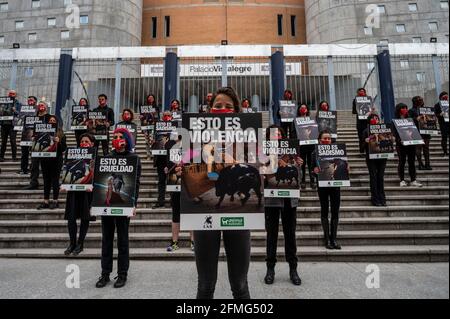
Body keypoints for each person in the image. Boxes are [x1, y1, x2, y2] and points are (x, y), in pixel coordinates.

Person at [193, 87, 251, 299]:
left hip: (238, 218)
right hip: (205, 219)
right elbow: (190, 168)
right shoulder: (196, 137)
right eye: (218, 106)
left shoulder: (248, 137)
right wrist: (182, 171)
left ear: (236, 111)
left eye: (229, 106)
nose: (223, 109)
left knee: (240, 284)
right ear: (209, 110)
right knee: (205, 285)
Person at [96, 128, 141, 289]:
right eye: (114, 137)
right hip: (107, 206)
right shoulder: (107, 157)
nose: (117, 139)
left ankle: (122, 274)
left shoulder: (134, 158)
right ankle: (105, 273)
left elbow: (135, 184)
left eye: (120, 136)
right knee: (106, 239)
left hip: (124, 205)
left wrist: (134, 204)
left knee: (123, 240)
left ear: (127, 139)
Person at [263, 124, 303, 286]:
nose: (277, 136)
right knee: (271, 235)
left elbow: (297, 179)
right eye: (274, 134)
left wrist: (298, 166)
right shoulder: (263, 153)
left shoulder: (291, 151)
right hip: (271, 199)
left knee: (290, 235)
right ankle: (270, 269)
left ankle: (293, 269)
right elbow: (261, 175)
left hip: (289, 199)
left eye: (279, 134)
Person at [63, 133, 96, 256]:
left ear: (92, 144)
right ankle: (72, 243)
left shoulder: (95, 158)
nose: (83, 143)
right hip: (73, 190)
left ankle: (80, 243)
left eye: (86, 141)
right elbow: (66, 171)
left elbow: (98, 176)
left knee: (84, 217)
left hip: (87, 192)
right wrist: (64, 183)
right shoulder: (72, 155)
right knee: (71, 218)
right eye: (82, 141)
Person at [312, 130, 345, 250]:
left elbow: (342, 165)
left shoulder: (338, 151)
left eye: (329, 138)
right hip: (323, 186)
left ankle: (334, 238)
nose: (326, 140)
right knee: (324, 211)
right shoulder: (314, 153)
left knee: (335, 211)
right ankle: (327, 239)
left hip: (335, 185)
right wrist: (314, 172)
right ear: (320, 140)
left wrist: (346, 168)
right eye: (324, 138)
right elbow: (312, 170)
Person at [165, 136, 195, 252]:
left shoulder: (192, 150)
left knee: (190, 214)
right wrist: (170, 169)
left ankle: (193, 242)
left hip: (189, 186)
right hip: (176, 186)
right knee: (176, 214)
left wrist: (185, 169)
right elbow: (168, 167)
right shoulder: (172, 149)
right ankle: (174, 242)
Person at [36, 115, 67, 210]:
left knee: (55, 180)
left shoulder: (61, 133)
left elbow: (64, 149)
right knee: (46, 181)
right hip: (45, 160)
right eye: (50, 120)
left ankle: (55, 201)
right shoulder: (42, 133)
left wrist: (59, 142)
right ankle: (46, 201)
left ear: (57, 122)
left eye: (54, 120)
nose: (52, 122)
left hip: (56, 160)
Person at [24, 101, 52, 190]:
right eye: (39, 105)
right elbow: (27, 129)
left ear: (46, 107)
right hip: (35, 144)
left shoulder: (51, 117)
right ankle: (33, 182)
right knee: (34, 165)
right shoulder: (33, 118)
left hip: (46, 144)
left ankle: (48, 183)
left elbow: (56, 129)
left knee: (47, 166)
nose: (41, 106)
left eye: (42, 105)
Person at [394, 103, 422, 187]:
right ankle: (402, 180)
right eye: (403, 108)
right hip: (401, 145)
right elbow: (395, 133)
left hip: (411, 143)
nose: (405, 109)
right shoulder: (395, 120)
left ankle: (413, 180)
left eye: (406, 108)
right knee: (402, 162)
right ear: (399, 109)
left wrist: (418, 138)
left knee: (412, 162)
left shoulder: (410, 119)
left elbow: (414, 130)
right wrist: (399, 140)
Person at [363, 114, 387, 206]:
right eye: (373, 118)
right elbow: (362, 147)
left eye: (377, 118)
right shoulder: (366, 131)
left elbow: (387, 141)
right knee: (373, 177)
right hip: (371, 158)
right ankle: (375, 199)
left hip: (382, 156)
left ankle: (382, 198)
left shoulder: (384, 131)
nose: (375, 120)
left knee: (380, 177)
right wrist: (366, 141)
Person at [409, 96, 432, 170]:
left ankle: (427, 164)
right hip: (416, 131)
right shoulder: (411, 110)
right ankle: (420, 164)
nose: (421, 101)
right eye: (419, 100)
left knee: (426, 148)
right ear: (415, 101)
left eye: (421, 99)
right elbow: (408, 120)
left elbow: (431, 118)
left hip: (426, 131)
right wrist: (416, 118)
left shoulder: (426, 109)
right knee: (418, 148)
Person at [297, 103, 316, 189]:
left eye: (305, 108)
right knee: (302, 164)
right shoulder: (296, 120)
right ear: (299, 109)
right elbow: (294, 132)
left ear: (307, 110)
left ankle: (312, 181)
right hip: (301, 145)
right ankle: (303, 180)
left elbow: (315, 130)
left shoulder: (311, 119)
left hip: (311, 144)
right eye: (301, 108)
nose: (303, 109)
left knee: (311, 163)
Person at [18, 96, 37, 174]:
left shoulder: (38, 109)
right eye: (28, 100)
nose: (30, 101)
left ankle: (33, 169)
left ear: (35, 101)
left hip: (34, 133)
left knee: (33, 153)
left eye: (31, 100)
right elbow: (20, 117)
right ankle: (23, 169)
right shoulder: (24, 109)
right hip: (25, 133)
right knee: (24, 152)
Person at [0, 89, 20, 162]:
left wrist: (15, 111)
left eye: (13, 94)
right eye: (10, 93)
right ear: (8, 94)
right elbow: (1, 112)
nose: (11, 95)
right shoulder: (3, 102)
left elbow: (20, 114)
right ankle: (1, 156)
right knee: (3, 141)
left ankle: (14, 157)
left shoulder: (18, 103)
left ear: (16, 95)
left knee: (13, 141)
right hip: (4, 124)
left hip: (13, 125)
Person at [352, 88, 370, 156]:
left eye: (363, 92)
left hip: (368, 121)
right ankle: (362, 152)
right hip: (360, 122)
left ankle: (369, 151)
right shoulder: (355, 101)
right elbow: (354, 111)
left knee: (369, 136)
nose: (361, 93)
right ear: (357, 93)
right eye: (360, 92)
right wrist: (358, 109)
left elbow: (371, 109)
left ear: (365, 93)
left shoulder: (369, 100)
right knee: (361, 137)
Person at [434, 91, 449, 156]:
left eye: (447, 96)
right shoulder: (437, 105)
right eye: (444, 97)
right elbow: (435, 114)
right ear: (440, 97)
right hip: (443, 123)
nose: (446, 98)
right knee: (444, 137)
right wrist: (440, 114)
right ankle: (445, 151)